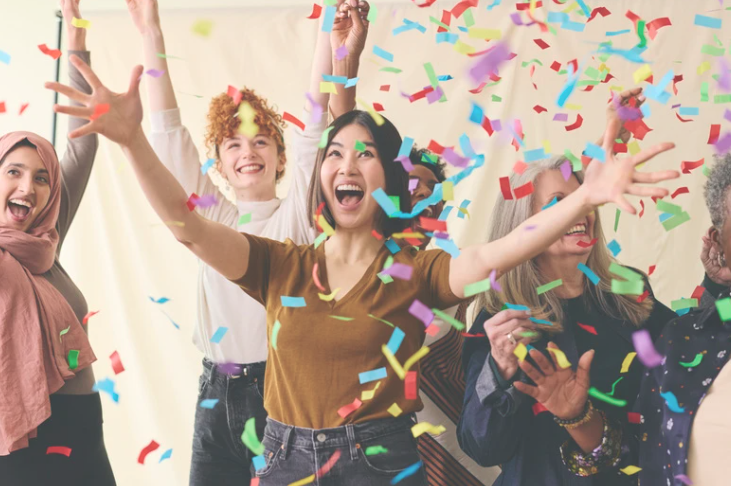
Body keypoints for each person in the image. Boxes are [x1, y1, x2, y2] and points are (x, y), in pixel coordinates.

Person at [47, 51, 678, 483]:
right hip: (284, 459)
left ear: (388, 181)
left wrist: (585, 195)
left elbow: (492, 255)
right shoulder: (280, 266)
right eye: (336, 153)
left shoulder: (415, 272)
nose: (347, 162)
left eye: (366, 154)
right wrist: (131, 140)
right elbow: (188, 226)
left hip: (377, 463)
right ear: (321, 179)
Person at [124, 0, 369, 483]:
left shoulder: (297, 215)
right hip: (215, 391)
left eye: (261, 140)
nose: (248, 151)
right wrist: (151, 31)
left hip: (280, 392)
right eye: (233, 143)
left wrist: (328, 31)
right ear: (218, 161)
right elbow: (168, 135)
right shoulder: (213, 219)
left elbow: (314, 117)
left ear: (281, 157)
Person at [532, 153, 731, 486]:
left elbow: (694, 340)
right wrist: (499, 371)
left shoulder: (628, 287)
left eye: (584, 200)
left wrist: (715, 286)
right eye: (559, 202)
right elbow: (483, 445)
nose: (579, 211)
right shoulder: (504, 320)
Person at [0, 4, 115, 484]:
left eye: (42, 178)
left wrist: (77, 35)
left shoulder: (46, 239)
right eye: (13, 172)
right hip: (23, 442)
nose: (28, 188)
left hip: (84, 430)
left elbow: (83, 143)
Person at [405, 147, 500, 484]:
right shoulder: (351, 277)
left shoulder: (451, 274)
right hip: (385, 453)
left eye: (432, 192)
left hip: (459, 447)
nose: (422, 194)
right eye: (411, 183)